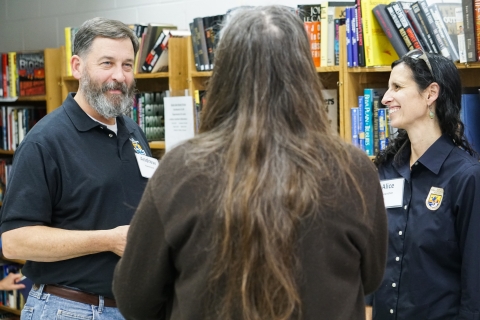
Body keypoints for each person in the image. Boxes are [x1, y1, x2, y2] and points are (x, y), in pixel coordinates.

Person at [113, 5, 388, 320]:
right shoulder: (353, 169)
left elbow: (134, 298)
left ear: (224, 72)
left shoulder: (179, 169)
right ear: (304, 71)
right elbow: (371, 277)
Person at [0, 17, 152, 319]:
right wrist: (108, 240)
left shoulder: (133, 132)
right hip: (69, 309)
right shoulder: (45, 141)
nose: (119, 76)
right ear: (77, 66)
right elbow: (14, 241)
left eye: (126, 65)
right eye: (106, 63)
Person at [367, 49, 480, 319]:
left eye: (397, 87)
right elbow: (372, 262)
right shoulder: (384, 171)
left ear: (431, 93)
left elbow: (475, 287)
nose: (385, 98)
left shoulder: (467, 177)